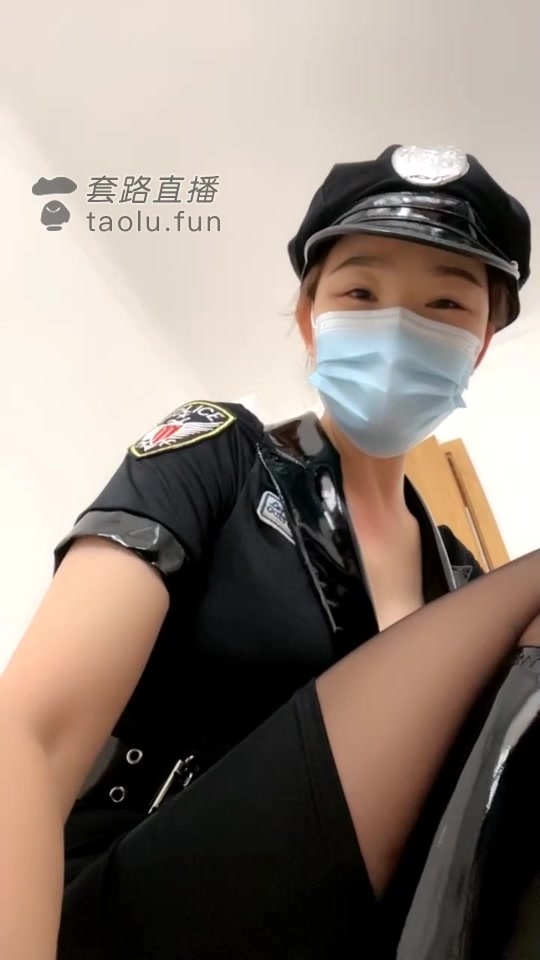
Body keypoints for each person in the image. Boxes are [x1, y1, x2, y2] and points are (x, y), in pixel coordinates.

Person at [1, 143, 538, 960]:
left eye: (445, 305)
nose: (400, 328)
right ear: (309, 317)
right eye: (361, 292)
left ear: (482, 345)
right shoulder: (217, 453)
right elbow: (29, 735)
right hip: (130, 913)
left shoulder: (461, 576)